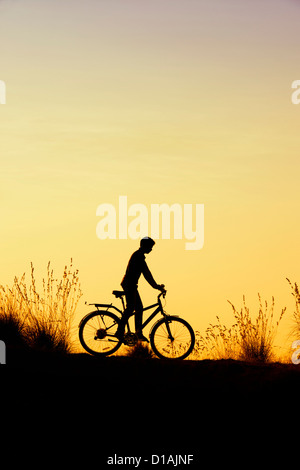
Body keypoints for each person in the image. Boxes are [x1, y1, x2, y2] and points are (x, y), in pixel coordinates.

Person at [116, 237, 165, 342]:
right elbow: (147, 273)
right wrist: (156, 286)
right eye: (150, 247)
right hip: (129, 284)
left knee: (139, 307)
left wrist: (156, 286)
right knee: (131, 308)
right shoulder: (138, 256)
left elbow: (146, 273)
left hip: (131, 284)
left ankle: (138, 332)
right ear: (145, 246)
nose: (151, 249)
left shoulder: (139, 255)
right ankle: (120, 332)